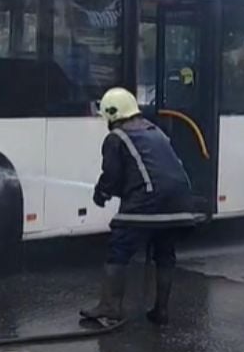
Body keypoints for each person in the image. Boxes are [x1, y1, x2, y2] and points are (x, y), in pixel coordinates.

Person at [79, 87, 202, 325]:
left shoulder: (117, 137)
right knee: (164, 253)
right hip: (181, 202)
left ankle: (110, 306)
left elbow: (112, 176)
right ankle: (161, 310)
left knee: (119, 248)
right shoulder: (156, 131)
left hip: (147, 202)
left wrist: (101, 193)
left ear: (113, 113)